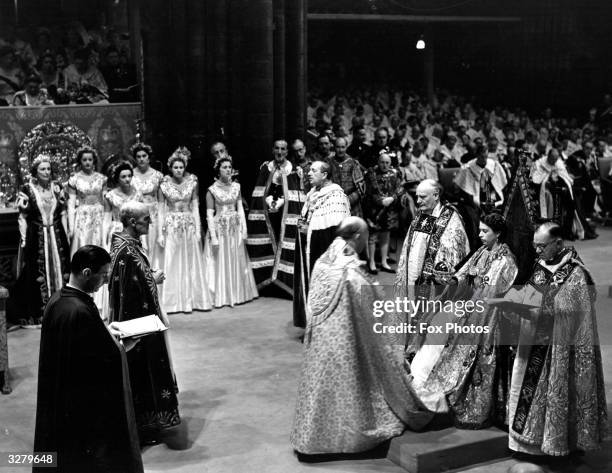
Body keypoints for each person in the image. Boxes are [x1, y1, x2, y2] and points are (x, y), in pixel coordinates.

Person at [290, 217, 433, 455]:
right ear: (357, 236)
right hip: (346, 342)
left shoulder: (323, 260)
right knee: (350, 385)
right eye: (366, 236)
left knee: (322, 387)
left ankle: (311, 438)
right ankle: (345, 438)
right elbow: (371, 313)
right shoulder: (350, 272)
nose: (367, 240)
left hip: (320, 342)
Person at [33, 245, 143, 473]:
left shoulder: (59, 300)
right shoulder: (79, 310)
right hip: (80, 406)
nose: (104, 281)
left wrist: (105, 333)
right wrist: (124, 346)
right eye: (102, 275)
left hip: (59, 397)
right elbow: (99, 362)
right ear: (86, 273)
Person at [408, 213, 518, 428]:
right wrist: (452, 280)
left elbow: (491, 295)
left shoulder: (505, 261)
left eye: (485, 231)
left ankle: (431, 382)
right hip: (468, 305)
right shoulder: (482, 252)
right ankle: (419, 376)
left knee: (445, 323)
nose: (480, 235)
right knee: (436, 319)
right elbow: (465, 273)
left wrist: (465, 309)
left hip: (485, 315)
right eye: (479, 230)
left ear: (498, 234)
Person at [508, 222, 607, 456]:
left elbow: (575, 315)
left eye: (542, 246)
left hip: (560, 350)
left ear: (559, 243)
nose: (537, 251)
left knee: (558, 395)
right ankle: (527, 444)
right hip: (532, 342)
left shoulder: (575, 273)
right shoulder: (541, 265)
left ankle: (557, 443)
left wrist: (541, 309)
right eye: (534, 246)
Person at [109, 202, 181, 445]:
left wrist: (148, 276)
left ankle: (151, 422)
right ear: (132, 222)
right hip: (138, 325)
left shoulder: (129, 246)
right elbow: (127, 290)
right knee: (143, 371)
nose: (150, 223)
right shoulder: (124, 251)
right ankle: (146, 424)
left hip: (143, 319)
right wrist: (153, 277)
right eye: (146, 219)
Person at [394, 179, 469, 311]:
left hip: (432, 282)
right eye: (417, 197)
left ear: (435, 195)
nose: (417, 201)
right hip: (412, 275)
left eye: (422, 197)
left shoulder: (450, 217)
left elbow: (457, 248)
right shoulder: (420, 213)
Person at [13, 154, 70, 326]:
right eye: (42, 169)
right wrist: (23, 238)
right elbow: (22, 216)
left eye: (48, 169)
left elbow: (63, 212)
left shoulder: (57, 188)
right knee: (37, 272)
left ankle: (62, 307)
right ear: (35, 172)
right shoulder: (28, 189)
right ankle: (42, 311)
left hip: (57, 235)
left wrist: (67, 233)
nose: (46, 172)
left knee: (62, 269)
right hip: (36, 236)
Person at [293, 160, 351, 328]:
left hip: (324, 254)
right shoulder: (313, 193)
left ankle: (325, 327)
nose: (309, 173)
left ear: (325, 175)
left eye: (313, 170)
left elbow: (333, 232)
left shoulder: (336, 196)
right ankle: (312, 324)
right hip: (310, 251)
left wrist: (308, 229)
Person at [246, 139, 304, 296]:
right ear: (273, 150)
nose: (280, 152)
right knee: (268, 244)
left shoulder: (293, 170)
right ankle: (268, 282)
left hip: (284, 215)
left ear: (287, 151)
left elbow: (295, 195)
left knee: (283, 243)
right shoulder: (266, 168)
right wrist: (268, 201)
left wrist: (281, 202)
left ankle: (283, 283)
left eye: (283, 149)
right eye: (277, 148)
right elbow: (260, 191)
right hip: (268, 215)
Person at [158, 147, 212, 313]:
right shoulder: (164, 185)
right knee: (172, 260)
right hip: (172, 225)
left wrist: (198, 228)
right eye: (176, 167)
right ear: (171, 168)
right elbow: (161, 209)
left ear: (185, 167)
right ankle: (171, 302)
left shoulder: (192, 182)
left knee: (190, 261)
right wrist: (161, 232)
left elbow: (195, 205)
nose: (179, 170)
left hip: (188, 224)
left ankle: (193, 300)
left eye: (181, 167)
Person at [203, 156, 258, 308]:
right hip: (220, 230)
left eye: (229, 167)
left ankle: (238, 293)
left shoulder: (237, 187)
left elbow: (240, 208)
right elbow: (209, 214)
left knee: (236, 257)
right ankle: (222, 296)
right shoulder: (212, 190)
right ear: (218, 170)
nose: (228, 170)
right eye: (224, 167)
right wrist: (213, 237)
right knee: (221, 259)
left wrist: (244, 229)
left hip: (234, 229)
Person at [530, 148, 584, 240]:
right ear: (548, 156)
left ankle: (567, 232)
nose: (554, 162)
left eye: (555, 159)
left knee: (571, 202)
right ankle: (551, 231)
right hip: (546, 190)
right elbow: (535, 179)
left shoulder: (558, 163)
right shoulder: (540, 163)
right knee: (551, 197)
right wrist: (547, 182)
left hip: (559, 189)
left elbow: (564, 176)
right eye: (552, 159)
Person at [364, 152, 404, 274]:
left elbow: (400, 189)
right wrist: (381, 201)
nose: (384, 165)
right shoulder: (371, 174)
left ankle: (384, 262)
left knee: (386, 235)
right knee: (373, 236)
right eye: (382, 162)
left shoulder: (394, 174)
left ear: (390, 164)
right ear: (378, 162)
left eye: (387, 162)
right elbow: (369, 192)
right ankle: (371, 263)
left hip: (389, 210)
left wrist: (392, 198)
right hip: (375, 210)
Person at [131, 142, 163, 267]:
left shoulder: (158, 176)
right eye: (138, 156)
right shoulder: (130, 175)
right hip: (136, 214)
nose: (141, 159)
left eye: (144, 156)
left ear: (149, 157)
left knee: (154, 246)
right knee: (139, 247)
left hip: (153, 215)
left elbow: (161, 201)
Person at [103, 162, 143, 249]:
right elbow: (106, 219)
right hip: (117, 230)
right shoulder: (110, 196)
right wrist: (104, 241)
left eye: (129, 176)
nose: (127, 179)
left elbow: (141, 218)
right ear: (117, 178)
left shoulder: (138, 195)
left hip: (133, 230)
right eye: (123, 177)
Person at [328, 137, 365, 217]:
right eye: (338, 147)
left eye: (343, 147)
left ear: (346, 147)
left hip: (352, 205)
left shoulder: (353, 163)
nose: (340, 150)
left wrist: (348, 200)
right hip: (333, 205)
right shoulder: (329, 163)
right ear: (334, 147)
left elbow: (361, 189)